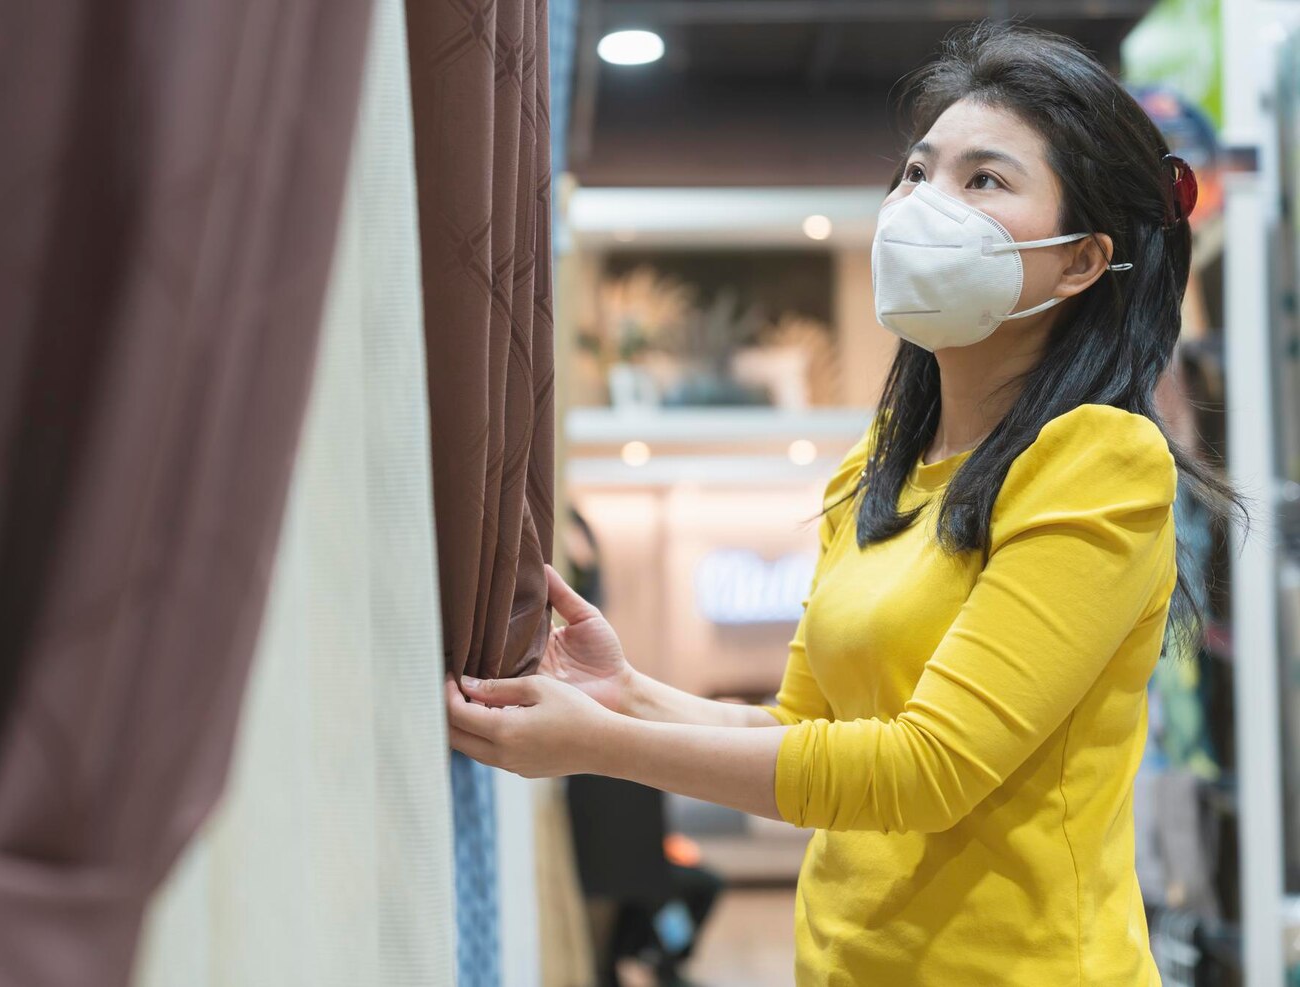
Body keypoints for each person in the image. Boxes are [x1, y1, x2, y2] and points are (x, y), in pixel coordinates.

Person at [447, 22, 1241, 986]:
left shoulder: (1100, 459)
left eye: (983, 180)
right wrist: (630, 695)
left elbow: (926, 770)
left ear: (1082, 261)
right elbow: (802, 729)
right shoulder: (878, 465)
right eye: (915, 172)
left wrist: (604, 746)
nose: (921, 205)